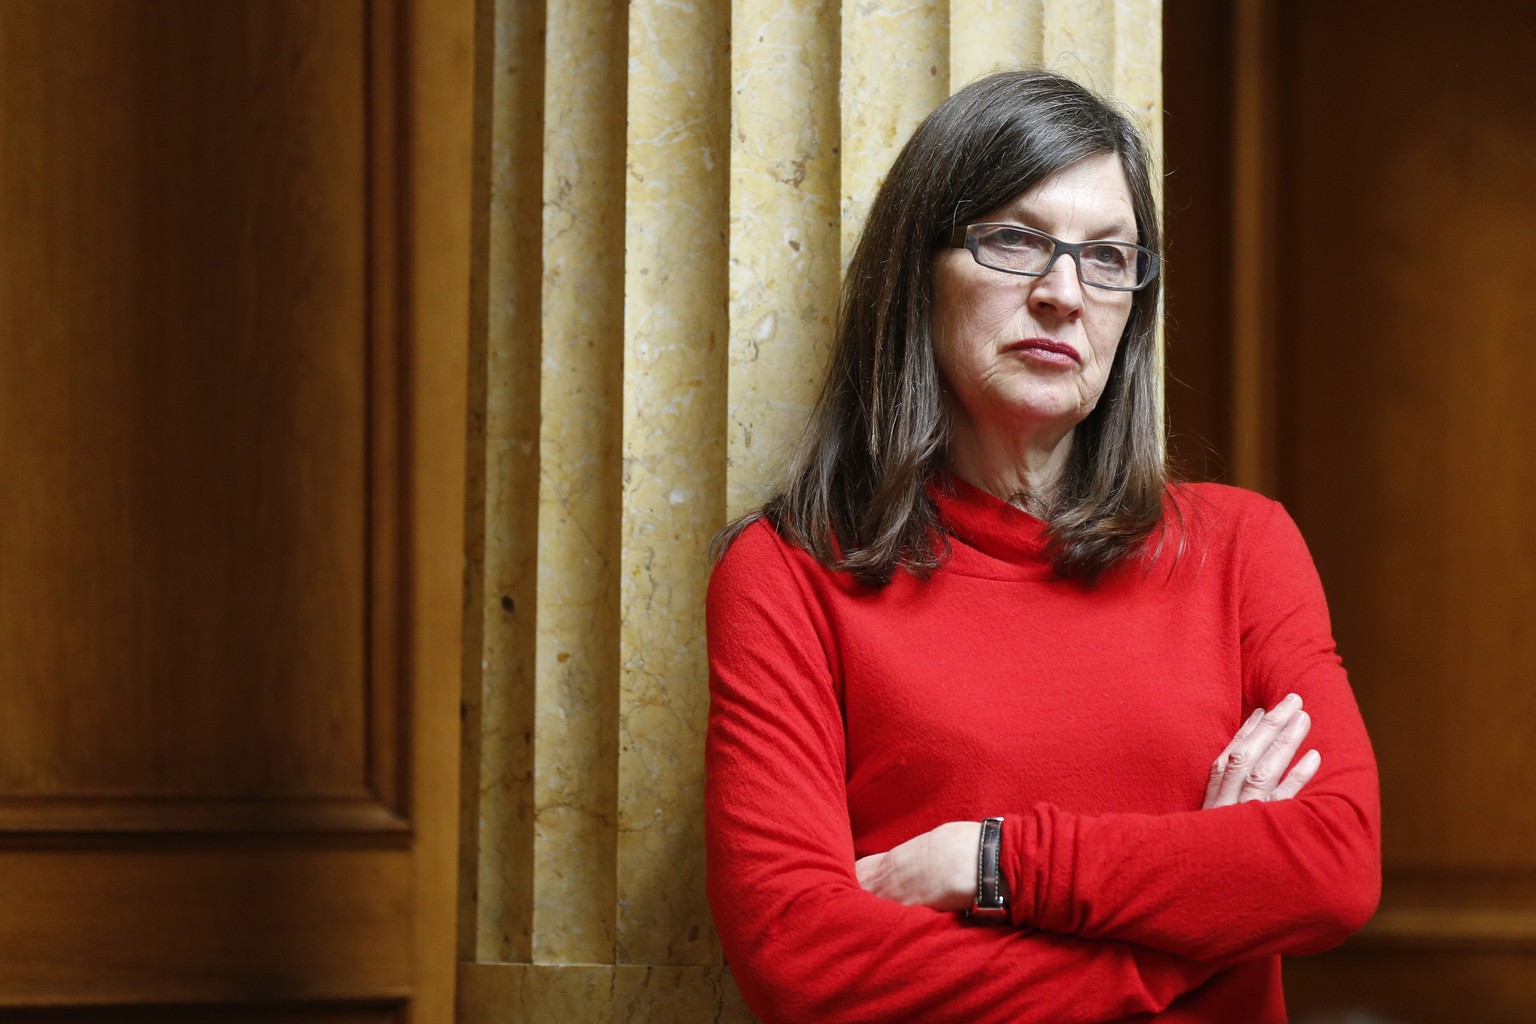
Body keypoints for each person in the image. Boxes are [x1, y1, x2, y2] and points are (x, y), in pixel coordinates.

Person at [703, 69, 1380, 1023]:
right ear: (916, 273)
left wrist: (985, 861)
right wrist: (1186, 944)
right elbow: (804, 963)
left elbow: (1333, 865)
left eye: (1109, 258)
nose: (1065, 292)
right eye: (1015, 240)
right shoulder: (786, 574)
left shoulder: (1241, 548)